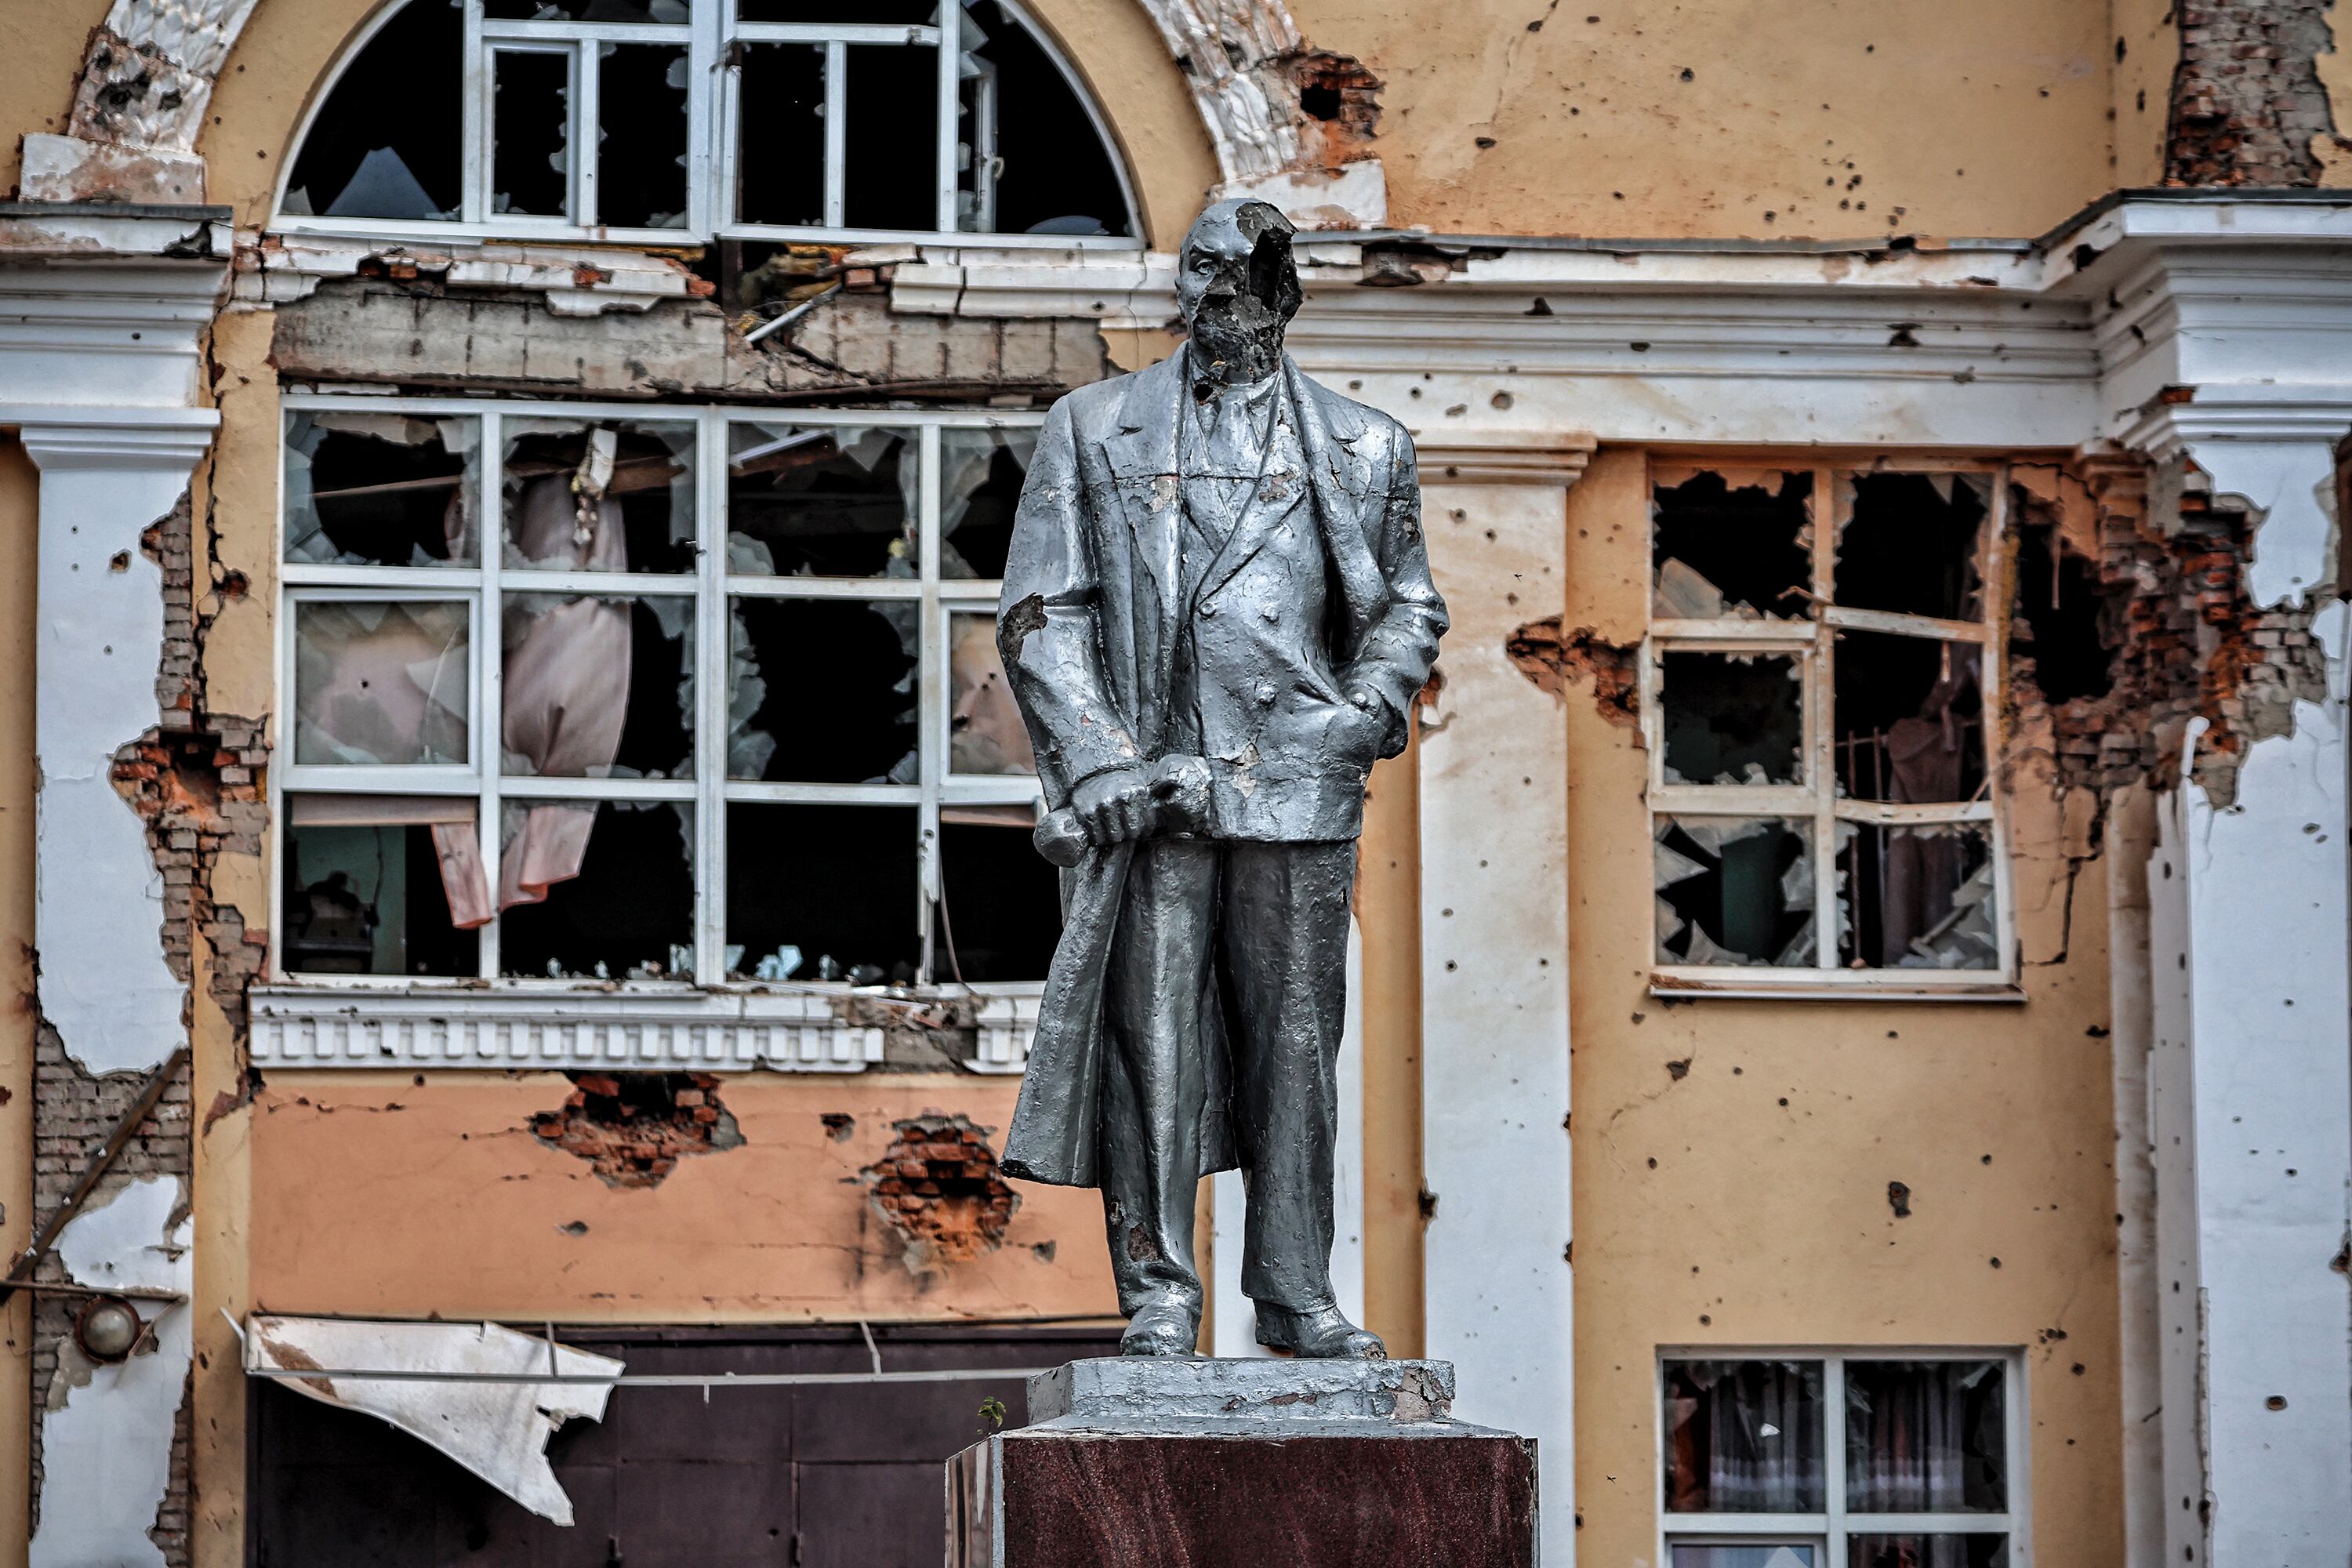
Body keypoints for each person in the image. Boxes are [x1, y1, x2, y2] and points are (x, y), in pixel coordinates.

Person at [994, 198, 1448, 1357]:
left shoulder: (1364, 444)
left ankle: (1294, 1292)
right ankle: (1157, 1292)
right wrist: (1094, 757)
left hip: (1299, 786)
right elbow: (1045, 609)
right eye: (1198, 273)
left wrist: (1367, 711)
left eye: (1240, 281)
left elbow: (1406, 602)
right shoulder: (1094, 426)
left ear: (1284, 295)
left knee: (1297, 1047)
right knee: (1153, 1045)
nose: (1214, 299)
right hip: (1153, 791)